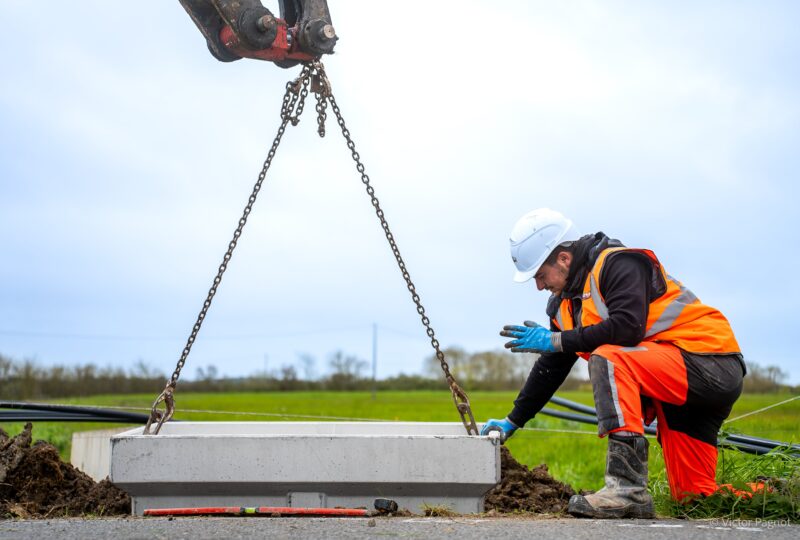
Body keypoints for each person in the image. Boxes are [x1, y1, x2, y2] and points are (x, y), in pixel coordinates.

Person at [481, 208, 746, 519]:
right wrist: (513, 420)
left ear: (563, 259)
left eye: (540, 275)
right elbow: (551, 368)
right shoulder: (563, 306)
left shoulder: (618, 263)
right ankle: (780, 492)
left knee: (609, 357)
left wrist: (555, 340)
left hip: (709, 363)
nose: (539, 286)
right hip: (672, 388)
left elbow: (627, 327)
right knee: (696, 497)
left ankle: (626, 490)